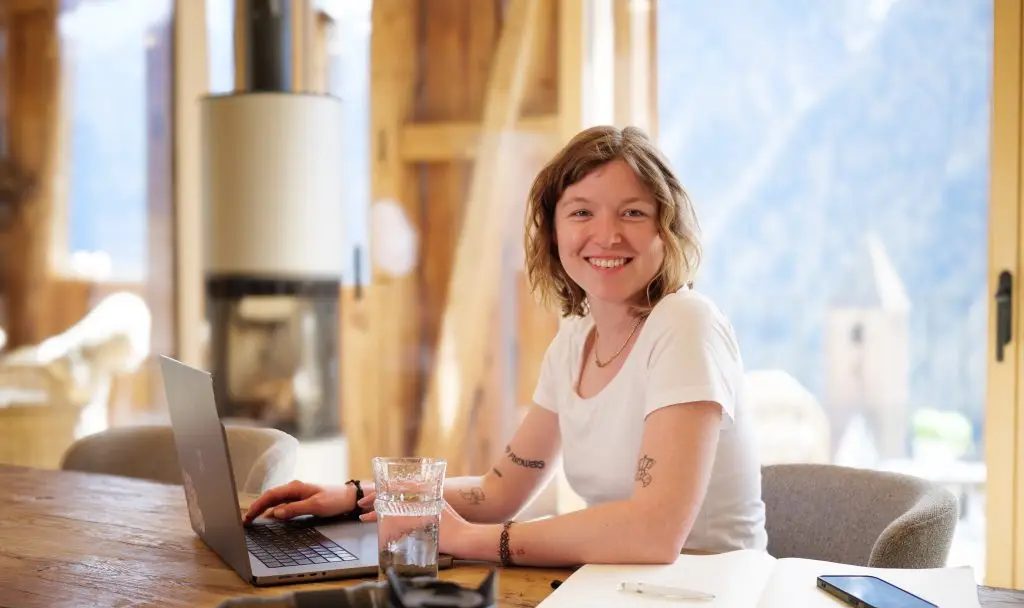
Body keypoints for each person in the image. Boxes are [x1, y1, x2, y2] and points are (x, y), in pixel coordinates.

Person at [243, 125, 768, 566]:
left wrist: (468, 540)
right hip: (627, 598)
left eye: (632, 212)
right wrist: (359, 497)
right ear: (553, 230)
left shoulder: (685, 324)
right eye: (582, 212)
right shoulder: (575, 339)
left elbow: (653, 534)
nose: (606, 235)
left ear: (666, 228)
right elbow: (499, 492)